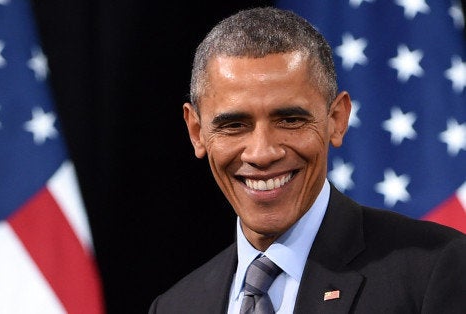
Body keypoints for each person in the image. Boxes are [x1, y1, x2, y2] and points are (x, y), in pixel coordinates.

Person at [148, 6, 466, 314]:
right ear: (196, 131)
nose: (261, 153)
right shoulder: (176, 305)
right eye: (234, 125)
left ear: (336, 119)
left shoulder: (435, 270)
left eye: (290, 120)